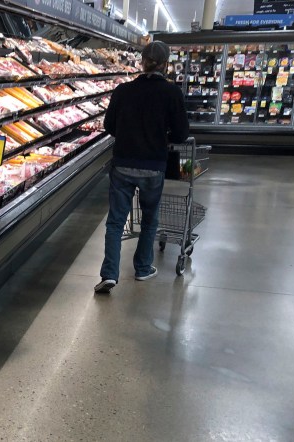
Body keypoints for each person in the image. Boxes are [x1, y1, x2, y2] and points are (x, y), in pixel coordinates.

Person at [94, 41, 190, 294]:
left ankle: (109, 274)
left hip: (123, 163)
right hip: (153, 165)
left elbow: (109, 126)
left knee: (115, 222)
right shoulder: (172, 93)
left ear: (142, 61)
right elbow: (180, 134)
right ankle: (142, 268)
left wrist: (128, 134)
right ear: (166, 64)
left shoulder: (123, 90)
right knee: (149, 220)